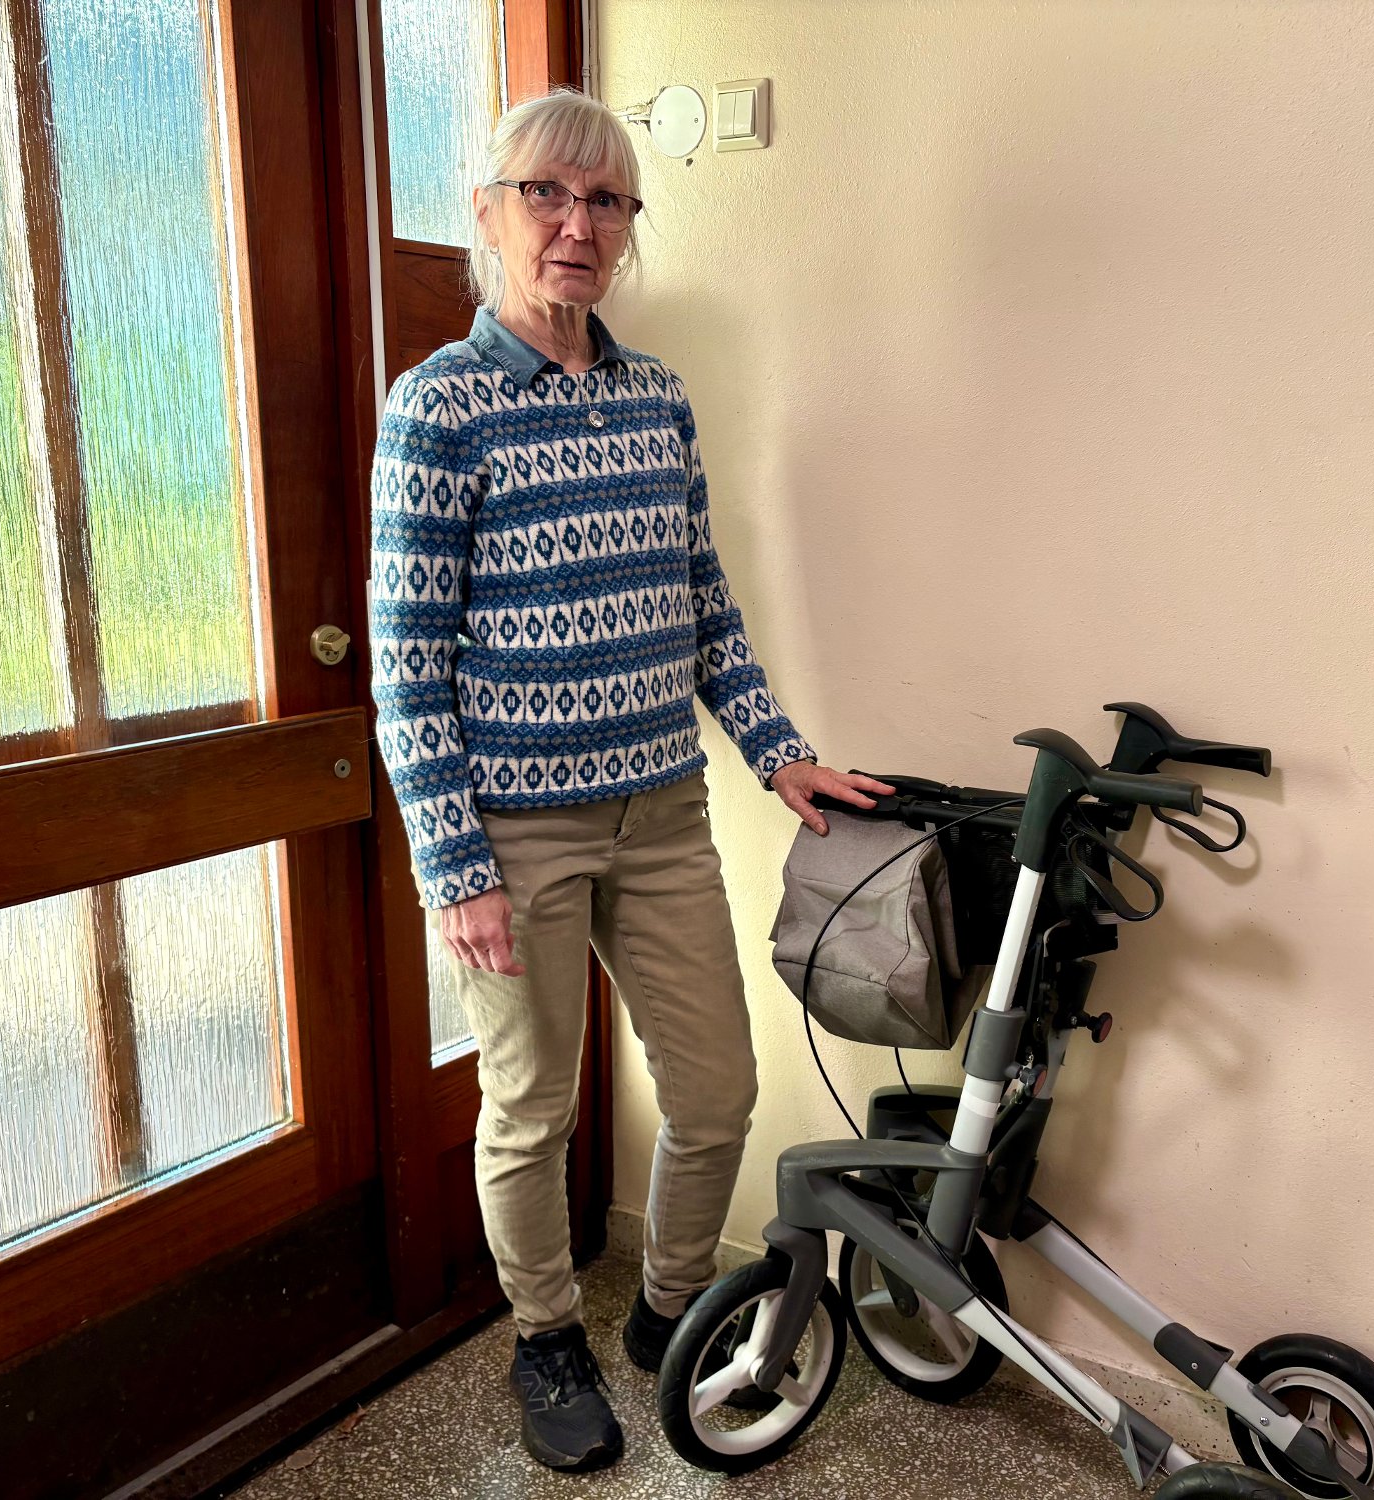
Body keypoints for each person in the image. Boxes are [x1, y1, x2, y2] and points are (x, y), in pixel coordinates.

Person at [367, 89, 889, 1473]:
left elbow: (703, 599)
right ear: (489, 215)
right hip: (513, 832)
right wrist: (455, 866)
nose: (577, 225)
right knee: (531, 1108)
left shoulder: (656, 397)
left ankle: (668, 1312)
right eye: (546, 194)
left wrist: (778, 752)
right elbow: (405, 663)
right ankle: (546, 1336)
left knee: (714, 1091)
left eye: (605, 201)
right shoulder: (440, 406)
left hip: (661, 814)